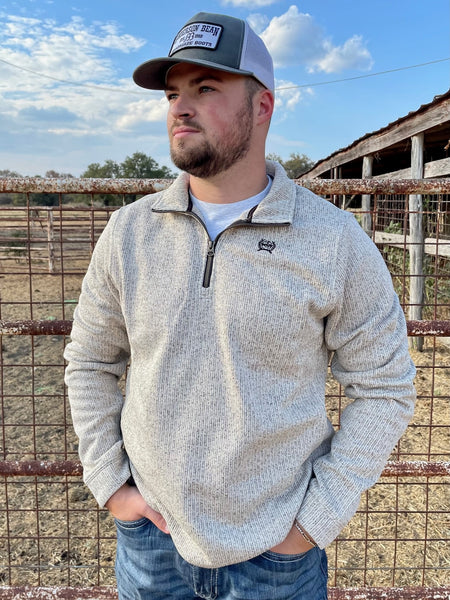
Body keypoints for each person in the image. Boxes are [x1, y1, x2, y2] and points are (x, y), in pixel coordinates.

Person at [64, 12, 416, 600]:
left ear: (262, 107)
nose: (180, 108)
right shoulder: (128, 234)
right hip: (151, 546)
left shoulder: (332, 241)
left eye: (205, 88)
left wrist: (313, 522)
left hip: (276, 558)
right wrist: (111, 485)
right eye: (172, 93)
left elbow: (385, 387)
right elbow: (90, 362)